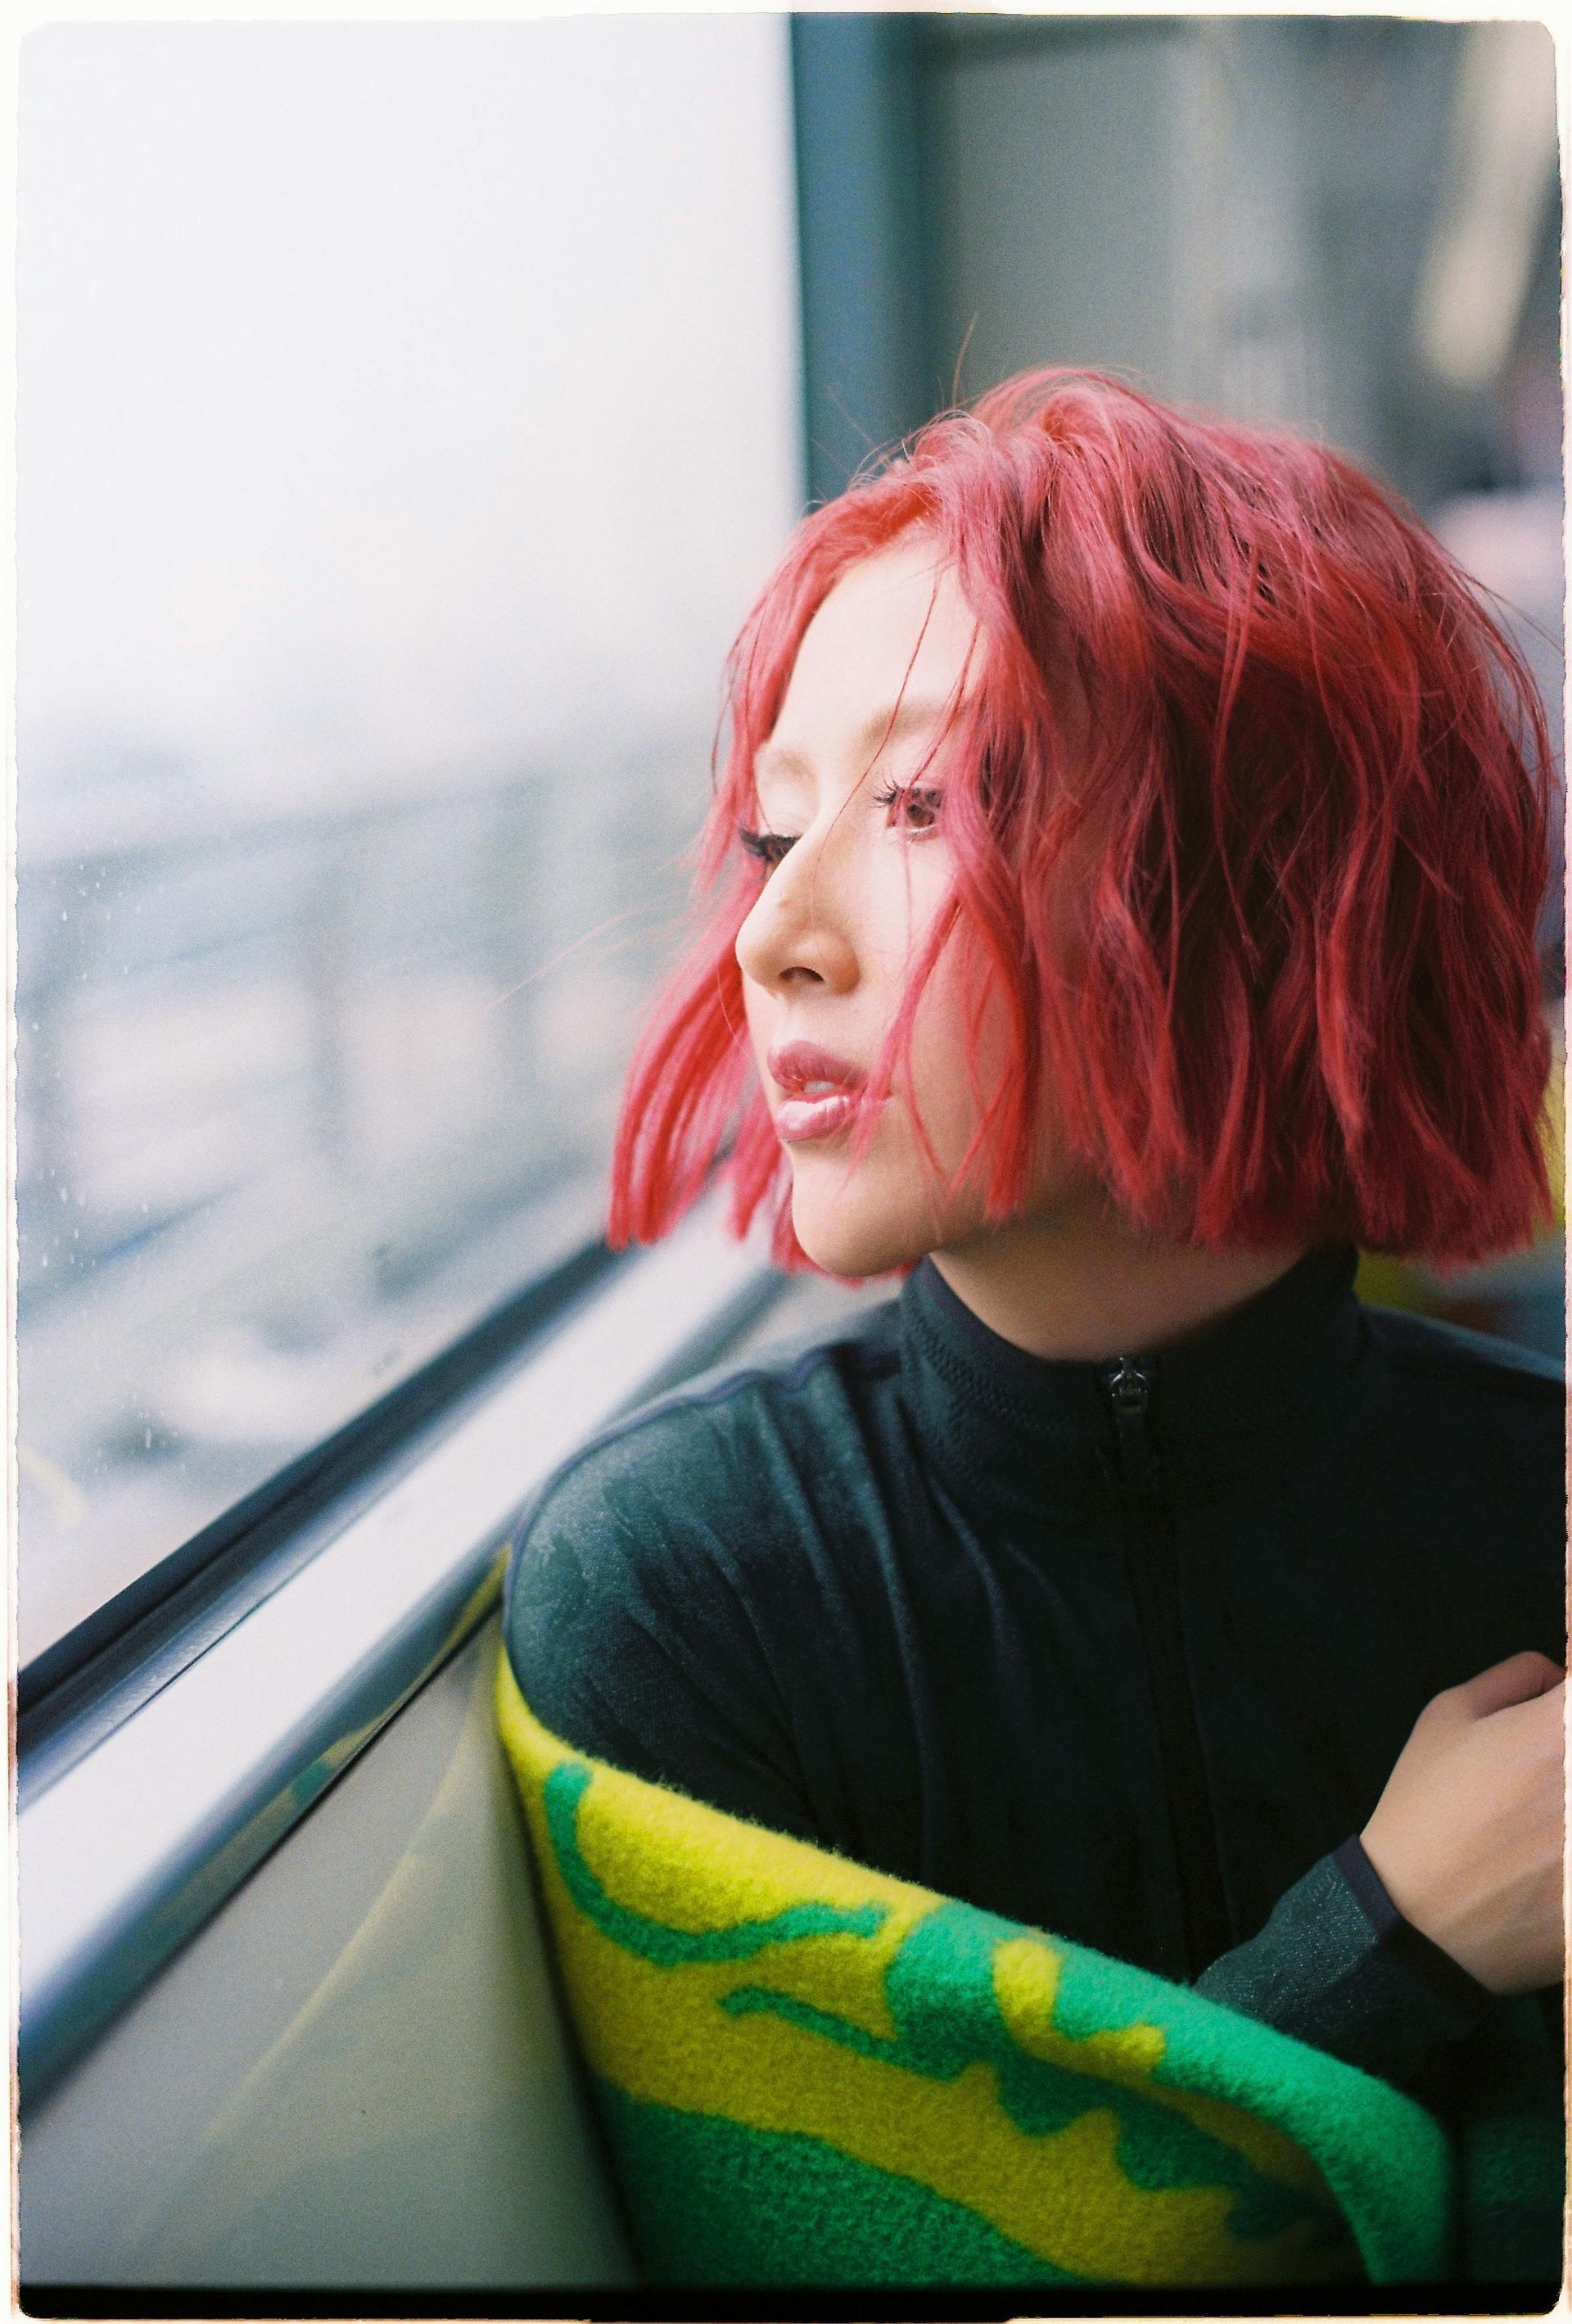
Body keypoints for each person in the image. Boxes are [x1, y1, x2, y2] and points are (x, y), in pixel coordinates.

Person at [504, 371, 1564, 2248]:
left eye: (927, 805)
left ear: (1263, 878)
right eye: (776, 836)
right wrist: (1390, 1938)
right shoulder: (683, 1584)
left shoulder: (1536, 1518)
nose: (777, 937)